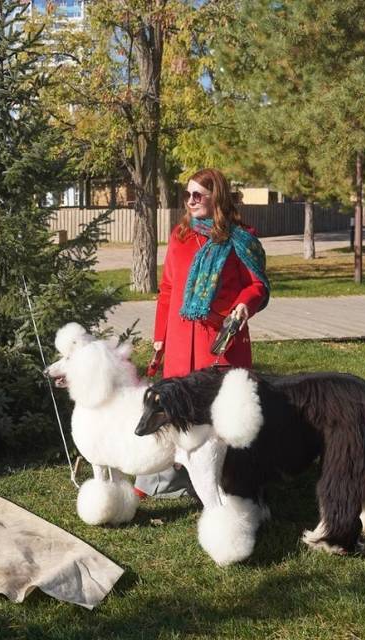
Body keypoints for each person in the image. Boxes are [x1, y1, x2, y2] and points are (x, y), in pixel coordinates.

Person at [135, 168, 270, 499]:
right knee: (175, 410)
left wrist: (243, 306)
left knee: (222, 418)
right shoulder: (180, 236)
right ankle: (161, 480)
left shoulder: (241, 238)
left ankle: (230, 483)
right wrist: (160, 336)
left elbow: (258, 286)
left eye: (198, 194)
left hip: (221, 344)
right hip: (181, 343)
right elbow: (168, 289)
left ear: (217, 197)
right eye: (188, 194)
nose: (190, 200)